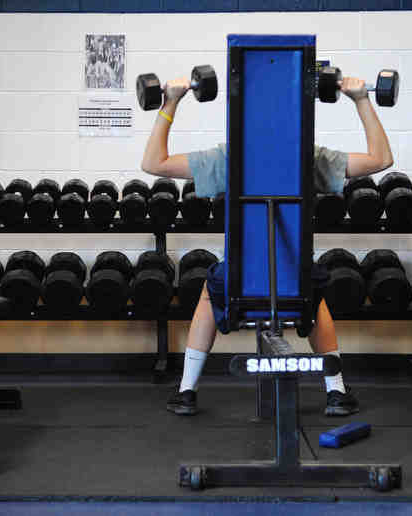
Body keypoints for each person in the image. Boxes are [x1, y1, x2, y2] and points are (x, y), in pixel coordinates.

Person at [140, 73, 393, 417]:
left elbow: (152, 163)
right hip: (295, 286)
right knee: (312, 292)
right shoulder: (311, 156)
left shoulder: (227, 157)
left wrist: (171, 101)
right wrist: (361, 100)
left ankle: (186, 390)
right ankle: (337, 391)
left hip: (240, 284)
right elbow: (381, 160)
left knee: (208, 290)